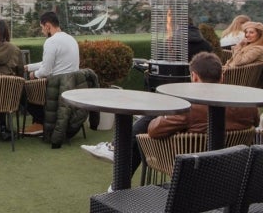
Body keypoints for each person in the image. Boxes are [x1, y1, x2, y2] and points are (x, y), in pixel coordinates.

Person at [81, 52, 259, 184]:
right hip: (233, 165)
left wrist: (164, 114)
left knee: (143, 128)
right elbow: (255, 126)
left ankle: (116, 169)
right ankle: (115, 150)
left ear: (194, 76)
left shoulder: (189, 109)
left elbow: (154, 130)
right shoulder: (248, 107)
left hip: (186, 163)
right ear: (222, 76)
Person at [22, 11, 79, 135]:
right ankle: (39, 123)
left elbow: (46, 70)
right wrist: (28, 67)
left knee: (22, 92)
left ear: (48, 26)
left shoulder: (51, 42)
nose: (42, 31)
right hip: (71, 85)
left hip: (56, 87)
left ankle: (41, 123)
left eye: (42, 28)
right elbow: (51, 62)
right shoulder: (71, 39)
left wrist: (33, 74)